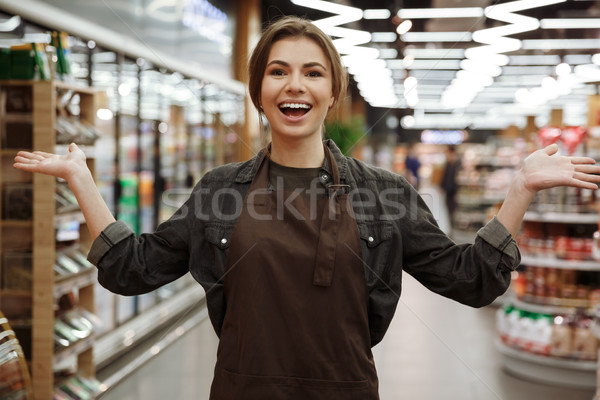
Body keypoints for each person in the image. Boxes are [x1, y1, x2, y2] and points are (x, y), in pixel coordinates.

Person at [13, 16, 600, 400]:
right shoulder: (222, 189)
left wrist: (519, 189)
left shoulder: (385, 193)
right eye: (278, 71)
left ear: (332, 91)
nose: (295, 85)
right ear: (260, 92)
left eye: (312, 73)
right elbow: (132, 269)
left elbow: (471, 280)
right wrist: (81, 180)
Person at [441, 145, 460, 220]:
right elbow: (445, 177)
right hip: (448, 190)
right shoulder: (448, 163)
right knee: (449, 207)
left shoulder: (457, 163)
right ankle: (451, 223)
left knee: (453, 208)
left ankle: (453, 222)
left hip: (455, 190)